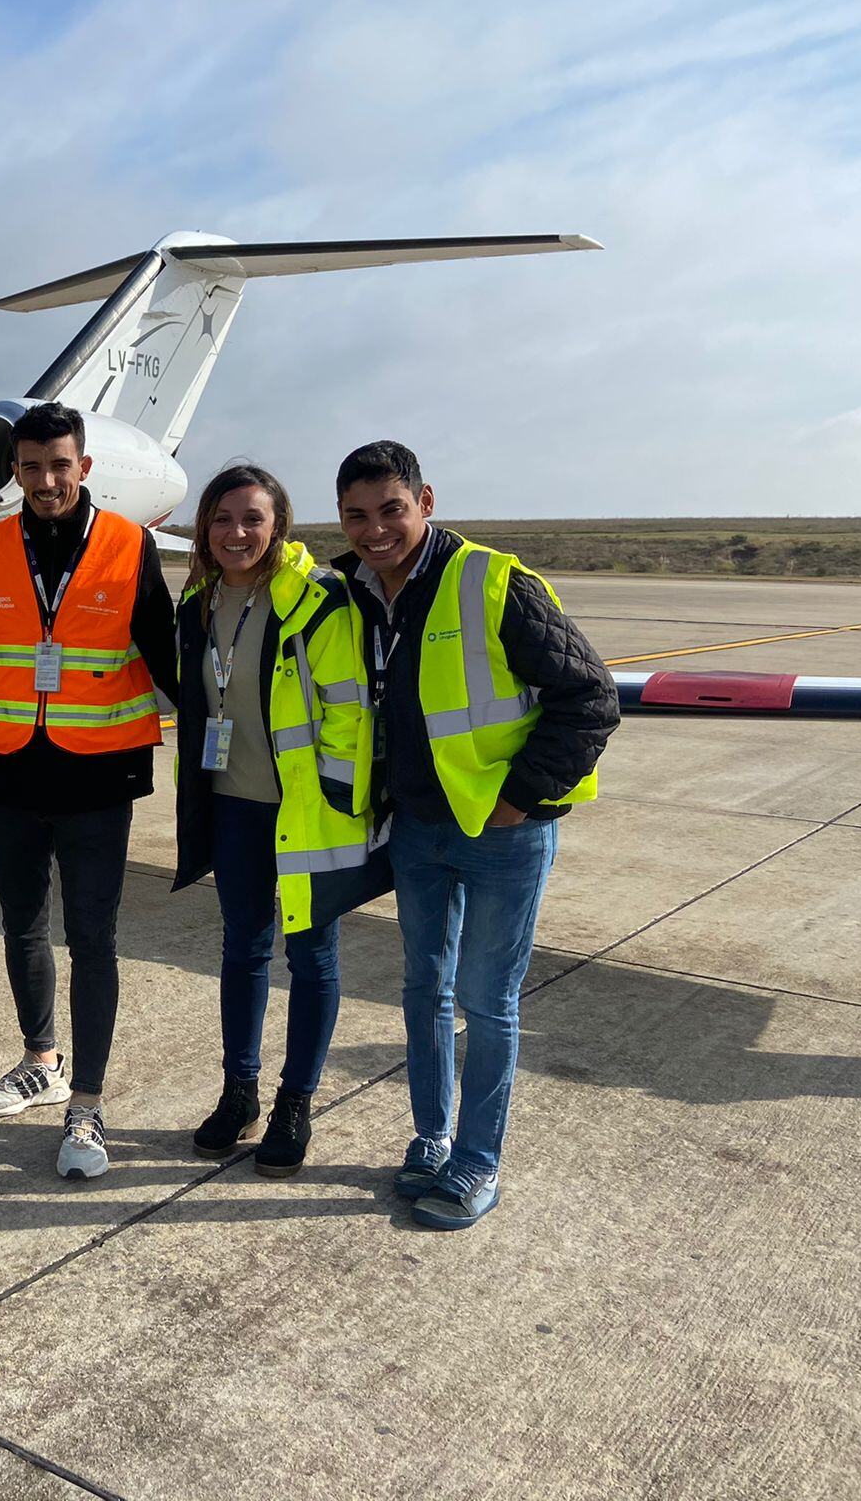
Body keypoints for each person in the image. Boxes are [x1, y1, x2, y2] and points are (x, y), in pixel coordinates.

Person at [335, 440, 616, 1228]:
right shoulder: (350, 588)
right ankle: (431, 1139)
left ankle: (478, 1163)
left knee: (489, 1003)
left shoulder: (493, 582)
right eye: (357, 515)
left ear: (426, 501)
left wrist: (519, 799)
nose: (376, 529)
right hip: (420, 830)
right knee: (425, 992)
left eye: (393, 509)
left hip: (503, 835)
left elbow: (591, 700)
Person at [0, 401, 176, 1181]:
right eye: (30, 467)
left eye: (59, 466)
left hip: (96, 772)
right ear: (13, 473)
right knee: (20, 925)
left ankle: (86, 1102)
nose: (46, 481)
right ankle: (40, 1062)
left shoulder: (129, 543)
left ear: (84, 468)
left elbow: (165, 649)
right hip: (11, 768)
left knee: (92, 937)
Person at [173, 465, 386, 1177]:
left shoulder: (316, 599)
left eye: (253, 519)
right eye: (223, 519)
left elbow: (349, 712)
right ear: (205, 527)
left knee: (312, 957)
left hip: (305, 812)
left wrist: (335, 807)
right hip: (233, 806)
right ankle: (241, 1092)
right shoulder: (199, 602)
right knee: (242, 948)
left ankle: (296, 1101)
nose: (238, 533)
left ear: (279, 525)